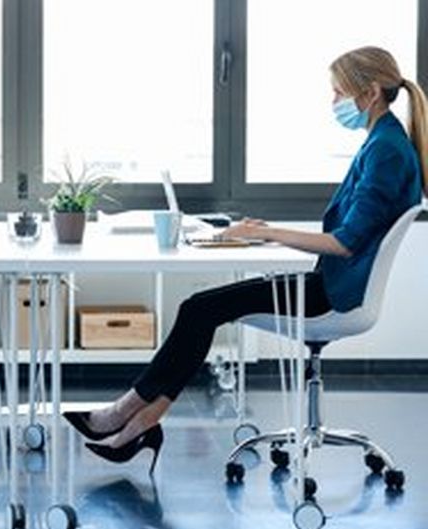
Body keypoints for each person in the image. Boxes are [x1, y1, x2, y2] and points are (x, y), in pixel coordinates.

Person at [65, 46, 427, 472]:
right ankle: (138, 418)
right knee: (202, 308)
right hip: (329, 285)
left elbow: (344, 243)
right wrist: (263, 231)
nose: (334, 103)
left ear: (368, 93)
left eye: (338, 93)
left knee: (199, 309)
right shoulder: (383, 141)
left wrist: (266, 233)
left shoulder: (385, 149)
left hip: (332, 295)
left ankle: (130, 415)